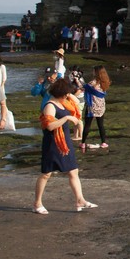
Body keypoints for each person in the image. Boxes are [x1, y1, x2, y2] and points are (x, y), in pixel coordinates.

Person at [33, 78, 97, 214]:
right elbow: (49, 126)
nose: (68, 95)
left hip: (65, 141)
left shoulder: (64, 103)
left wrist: (72, 97)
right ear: (61, 93)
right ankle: (37, 203)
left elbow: (76, 104)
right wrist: (66, 119)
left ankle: (80, 200)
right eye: (67, 93)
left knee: (73, 171)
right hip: (52, 143)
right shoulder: (50, 105)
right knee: (46, 174)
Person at [81, 66, 112, 151]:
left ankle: (83, 143)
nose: (93, 72)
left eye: (94, 71)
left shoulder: (92, 83)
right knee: (101, 125)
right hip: (101, 106)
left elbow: (84, 87)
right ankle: (103, 142)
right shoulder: (105, 83)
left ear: (97, 72)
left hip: (92, 107)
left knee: (87, 125)